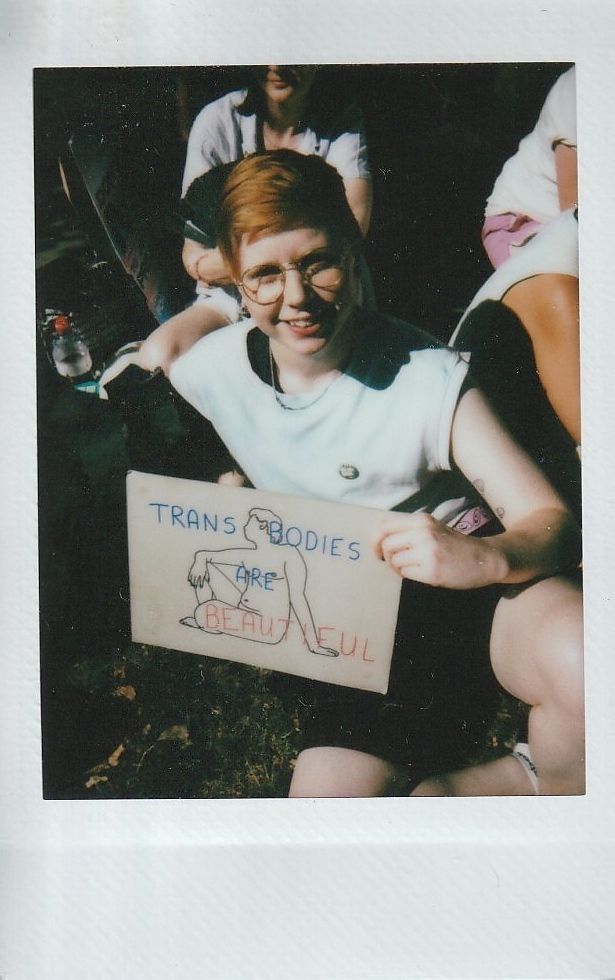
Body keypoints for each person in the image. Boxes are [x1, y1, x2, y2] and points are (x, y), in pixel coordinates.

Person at [168, 149, 584, 797]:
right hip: (349, 627)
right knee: (326, 814)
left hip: (468, 593)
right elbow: (210, 453)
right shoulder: (205, 373)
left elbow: (550, 521)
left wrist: (484, 559)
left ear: (352, 246)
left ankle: (536, 780)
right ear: (233, 281)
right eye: (265, 276)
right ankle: (443, 800)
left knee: (588, 665)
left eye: (317, 262)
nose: (297, 297)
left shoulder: (426, 374)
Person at [137, 66, 372, 376]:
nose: (277, 66)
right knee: (158, 357)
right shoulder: (217, 120)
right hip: (230, 300)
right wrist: (260, 274)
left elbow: (352, 230)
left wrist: (253, 261)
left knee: (303, 368)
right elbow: (194, 257)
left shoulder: (341, 123)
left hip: (316, 293)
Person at [472, 67, 580, 444]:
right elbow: (576, 217)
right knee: (565, 295)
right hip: (530, 220)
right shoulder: (579, 88)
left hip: (571, 225)